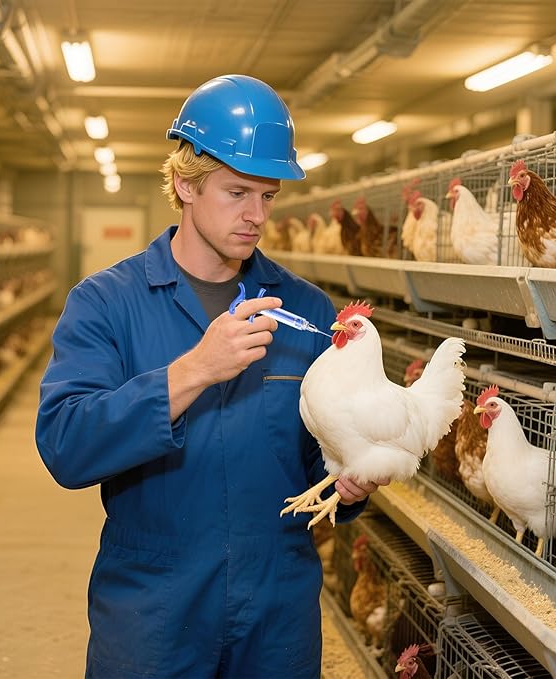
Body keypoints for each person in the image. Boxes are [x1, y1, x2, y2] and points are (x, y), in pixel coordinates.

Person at [35, 74, 379, 679]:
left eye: (268, 196)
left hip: (276, 609)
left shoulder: (306, 310)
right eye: (237, 192)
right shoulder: (107, 303)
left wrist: (347, 481)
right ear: (185, 184)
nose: (256, 216)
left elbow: (316, 456)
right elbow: (66, 444)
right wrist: (192, 372)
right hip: (152, 609)